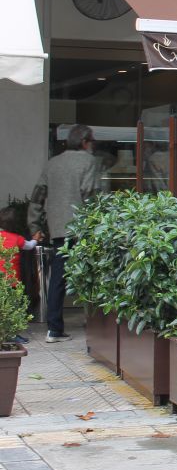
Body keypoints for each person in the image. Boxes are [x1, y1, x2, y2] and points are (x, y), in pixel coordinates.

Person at [28, 124, 102, 343]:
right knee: (92, 275)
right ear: (85, 142)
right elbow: (90, 195)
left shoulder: (53, 163)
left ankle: (54, 328)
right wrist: (98, 223)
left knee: (58, 278)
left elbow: (37, 196)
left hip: (59, 229)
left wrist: (35, 226)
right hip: (83, 228)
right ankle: (95, 323)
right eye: (92, 141)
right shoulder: (88, 161)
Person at [0, 207, 42, 344]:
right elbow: (29, 246)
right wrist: (36, 239)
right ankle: (12, 334)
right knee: (13, 309)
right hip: (12, 281)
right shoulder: (17, 238)